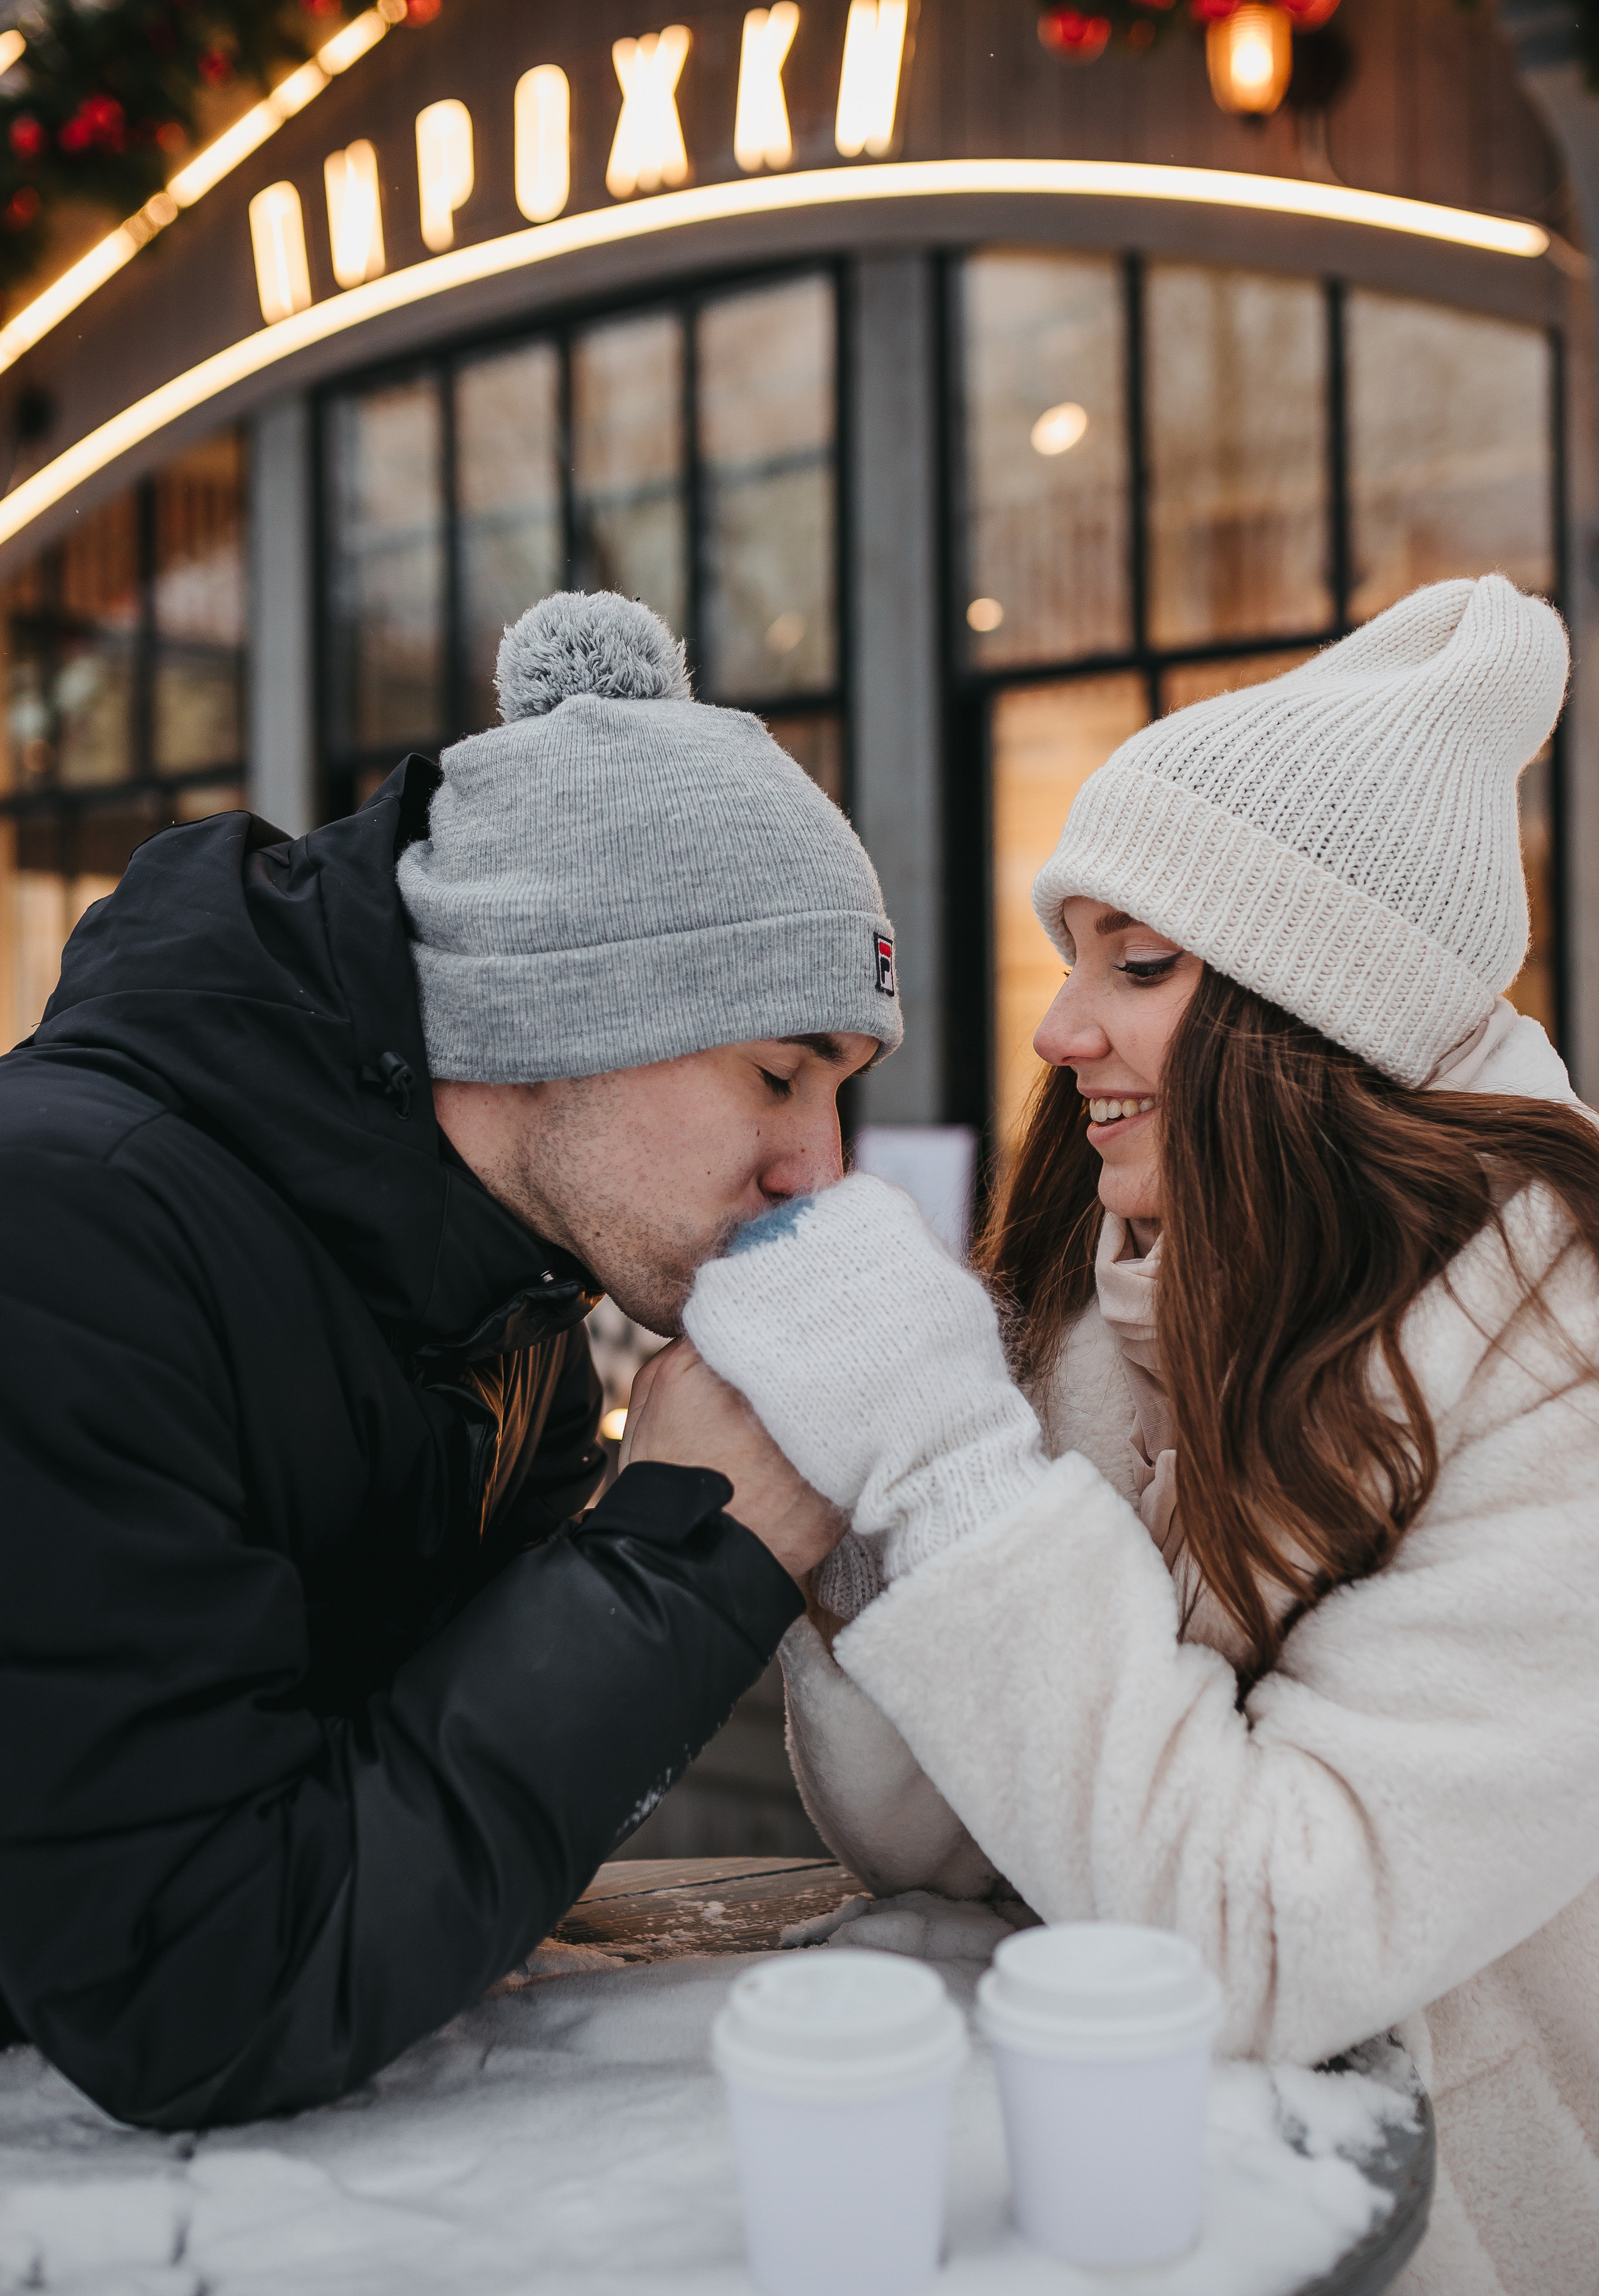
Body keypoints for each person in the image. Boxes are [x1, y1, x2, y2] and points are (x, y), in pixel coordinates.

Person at [629, 575, 1599, 2293]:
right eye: (1077, 959)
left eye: (1138, 965)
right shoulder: (1112, 1289)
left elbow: (1260, 1937)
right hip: (1120, 2208)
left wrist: (953, 1469)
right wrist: (868, 1518)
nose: (1061, 1030)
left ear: (1321, 1021)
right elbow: (944, 1843)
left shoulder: (1559, 1378)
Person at [0, 590, 873, 2130]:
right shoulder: (66, 1239)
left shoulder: (499, 1301)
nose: (816, 1164)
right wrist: (683, 1555)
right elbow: (196, 1987)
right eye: (778, 1073)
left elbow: (416, 1836)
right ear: (558, 1003)